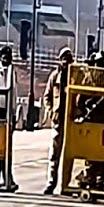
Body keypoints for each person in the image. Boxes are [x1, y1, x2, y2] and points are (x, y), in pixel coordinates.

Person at [75, 51, 104, 192]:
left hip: (102, 123)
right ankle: (90, 179)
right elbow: (80, 101)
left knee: (100, 155)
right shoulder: (88, 80)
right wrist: (85, 110)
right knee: (91, 155)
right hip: (90, 122)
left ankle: (98, 183)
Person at [43, 47, 74, 195]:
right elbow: (47, 96)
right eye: (63, 58)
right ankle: (51, 183)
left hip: (71, 121)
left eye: (68, 58)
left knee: (68, 156)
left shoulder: (75, 77)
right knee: (54, 155)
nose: (66, 61)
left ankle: (65, 186)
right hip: (58, 120)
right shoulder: (54, 77)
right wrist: (50, 111)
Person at [0, 46, 17, 191]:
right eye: (4, 56)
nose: (6, 59)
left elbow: (15, 93)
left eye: (8, 56)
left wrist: (15, 113)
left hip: (8, 112)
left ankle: (5, 178)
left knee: (6, 148)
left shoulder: (13, 71)